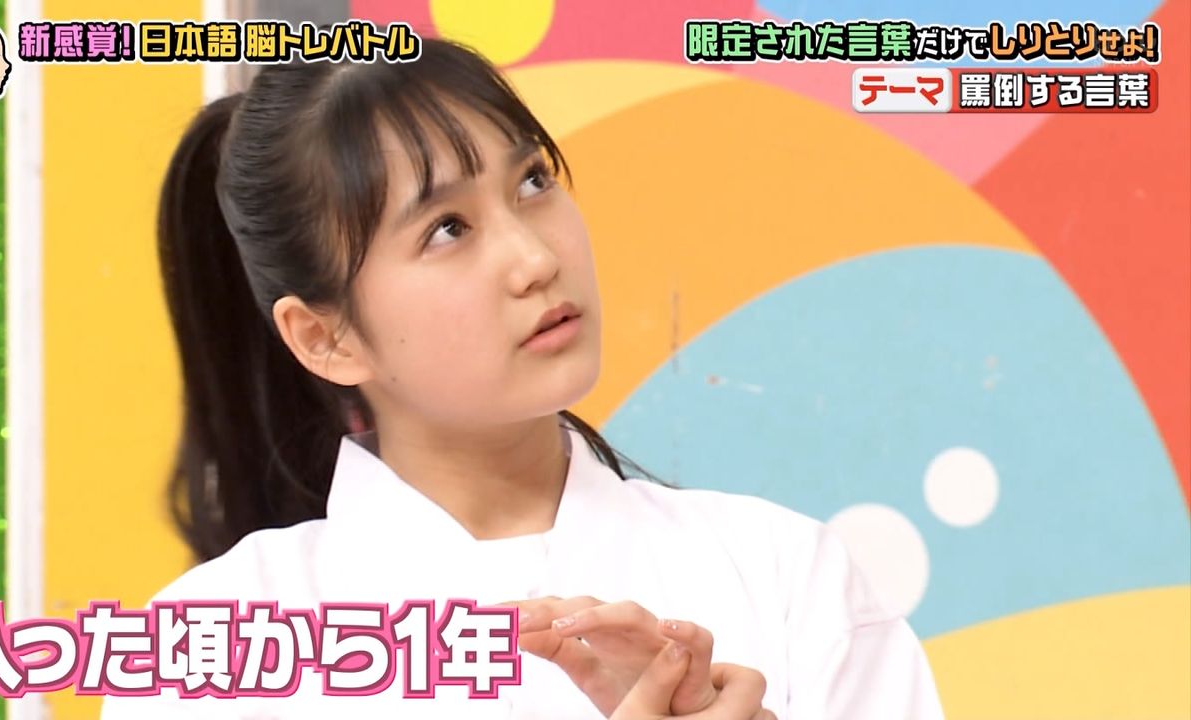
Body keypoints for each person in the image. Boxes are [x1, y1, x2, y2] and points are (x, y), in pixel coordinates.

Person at [99, 36, 945, 719]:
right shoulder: (213, 649)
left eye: (533, 181)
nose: (536, 258)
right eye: (447, 228)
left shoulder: (789, 581)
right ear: (326, 339)